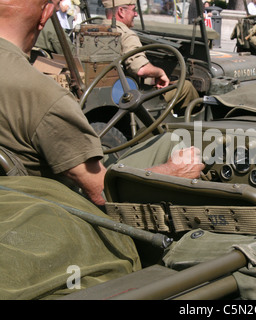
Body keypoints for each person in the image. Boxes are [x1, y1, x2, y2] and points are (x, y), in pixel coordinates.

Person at [0, 0, 204, 207]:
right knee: (173, 142)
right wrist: (171, 172)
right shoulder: (46, 97)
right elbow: (102, 193)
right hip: (62, 209)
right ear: (46, 14)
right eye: (134, 10)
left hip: (16, 197)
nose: (134, 14)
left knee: (166, 140)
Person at [102, 0, 199, 111]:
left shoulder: (97, 28)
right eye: (133, 10)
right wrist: (160, 73)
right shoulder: (126, 34)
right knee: (186, 86)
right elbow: (141, 69)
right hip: (129, 98)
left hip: (110, 93)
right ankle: (194, 125)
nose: (136, 14)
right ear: (121, 11)